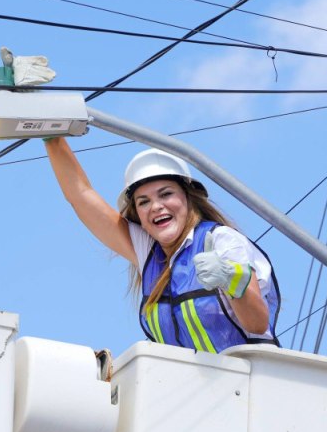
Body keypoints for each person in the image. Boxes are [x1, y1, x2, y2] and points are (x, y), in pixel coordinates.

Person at [45, 138, 280, 352]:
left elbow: (257, 323)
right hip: (191, 390)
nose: (156, 206)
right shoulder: (148, 254)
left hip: (250, 386)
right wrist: (52, 136)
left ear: (188, 198)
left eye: (165, 194)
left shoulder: (221, 241)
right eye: (144, 202)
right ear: (137, 215)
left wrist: (232, 280)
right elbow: (80, 195)